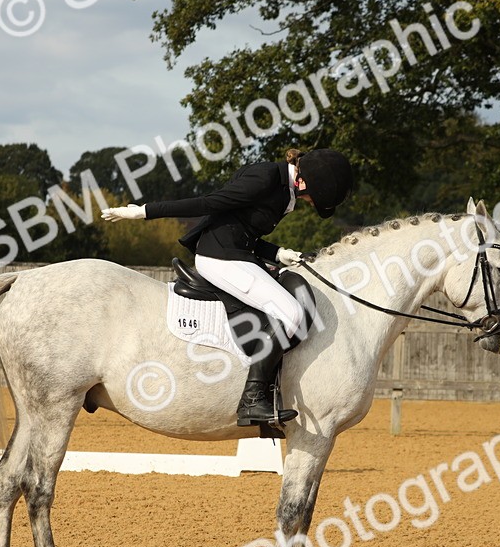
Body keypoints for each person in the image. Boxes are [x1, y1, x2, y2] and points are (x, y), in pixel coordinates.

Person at [101, 148, 354, 427]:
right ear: (303, 181)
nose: (308, 202)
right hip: (219, 258)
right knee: (292, 314)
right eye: (311, 198)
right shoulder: (267, 177)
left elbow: (242, 231)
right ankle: (253, 400)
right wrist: (146, 211)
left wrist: (279, 253)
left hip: (238, 254)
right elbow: (210, 204)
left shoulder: (283, 190)